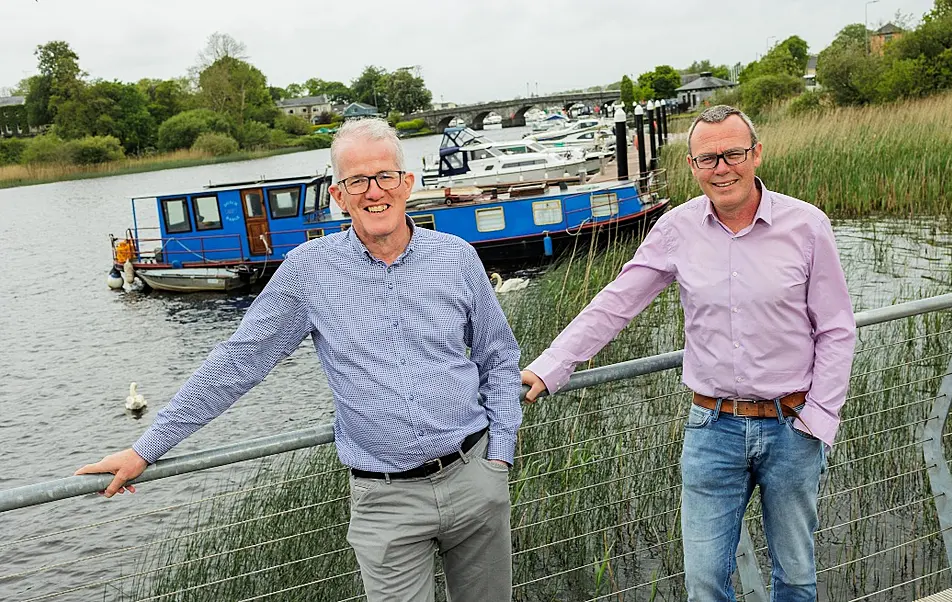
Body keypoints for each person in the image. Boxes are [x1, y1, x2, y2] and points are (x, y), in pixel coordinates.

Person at [77, 118, 522, 602]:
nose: (374, 192)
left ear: (407, 183)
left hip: (475, 477)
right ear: (338, 195)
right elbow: (238, 363)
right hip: (386, 500)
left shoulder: (455, 257)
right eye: (357, 180)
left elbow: (498, 357)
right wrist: (147, 448)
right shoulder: (308, 271)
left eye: (385, 176)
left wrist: (499, 454)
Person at [521, 104, 855, 601]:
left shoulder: (806, 226)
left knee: (796, 577)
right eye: (707, 159)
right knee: (704, 583)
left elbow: (836, 328)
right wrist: (552, 365)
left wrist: (820, 417)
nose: (722, 168)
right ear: (693, 166)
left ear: (756, 154)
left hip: (793, 425)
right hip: (712, 428)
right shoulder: (677, 229)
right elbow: (617, 303)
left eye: (732, 154)